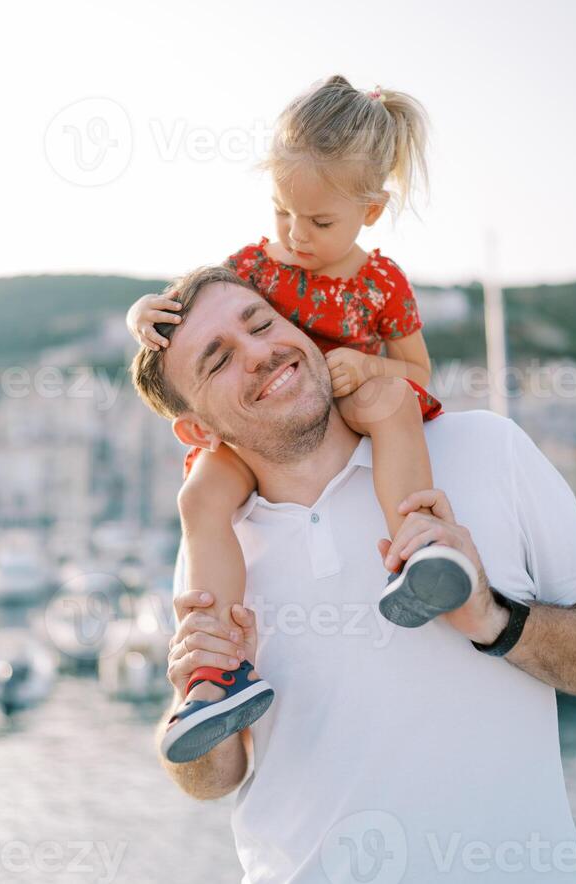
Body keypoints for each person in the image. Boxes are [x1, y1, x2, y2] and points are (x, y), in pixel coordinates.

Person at [132, 266, 576, 883]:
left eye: (263, 324)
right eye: (218, 362)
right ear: (198, 432)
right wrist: (189, 694)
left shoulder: (487, 450)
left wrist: (494, 618)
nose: (260, 353)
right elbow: (212, 779)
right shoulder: (216, 548)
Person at [127, 77, 477, 759]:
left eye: (319, 223)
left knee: (394, 404)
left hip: (350, 396)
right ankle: (214, 669)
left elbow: (418, 371)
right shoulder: (255, 266)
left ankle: (419, 546)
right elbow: (189, 308)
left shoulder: (382, 285)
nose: (295, 235)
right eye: (284, 213)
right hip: (271, 425)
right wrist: (140, 312)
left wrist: (368, 367)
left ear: (370, 212)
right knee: (200, 493)